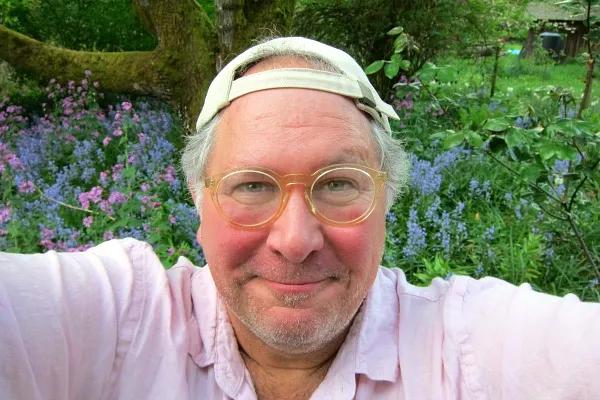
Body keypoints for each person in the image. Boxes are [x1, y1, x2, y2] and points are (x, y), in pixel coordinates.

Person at [1, 37, 599, 400]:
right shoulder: (119, 324)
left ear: (387, 200)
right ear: (199, 203)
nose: (294, 240)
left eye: (339, 185)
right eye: (252, 186)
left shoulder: (468, 348)